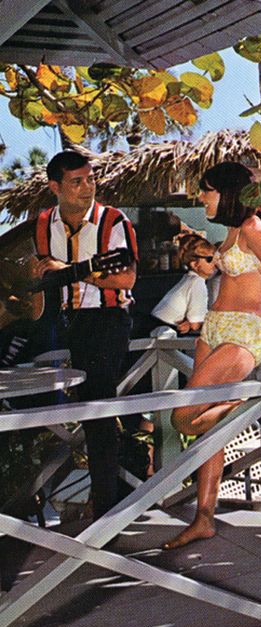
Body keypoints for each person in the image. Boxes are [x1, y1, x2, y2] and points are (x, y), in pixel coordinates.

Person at [165, 162, 261, 549]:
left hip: (243, 332)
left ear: (225, 193)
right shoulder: (228, 233)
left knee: (184, 416)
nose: (202, 198)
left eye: (207, 191)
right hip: (214, 328)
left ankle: (245, 403)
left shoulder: (253, 231)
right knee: (205, 428)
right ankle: (203, 517)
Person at [32, 151, 137, 518]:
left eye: (90, 179)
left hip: (107, 321)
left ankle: (105, 506)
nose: (87, 187)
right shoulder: (44, 223)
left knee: (97, 410)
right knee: (47, 411)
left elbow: (126, 278)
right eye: (77, 182)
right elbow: (43, 272)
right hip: (64, 324)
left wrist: (75, 271)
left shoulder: (113, 221)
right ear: (54, 187)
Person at [150, 233, 216, 335]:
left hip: (155, 326)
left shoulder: (188, 278)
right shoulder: (197, 283)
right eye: (209, 259)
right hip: (163, 332)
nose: (214, 263)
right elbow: (195, 324)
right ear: (195, 264)